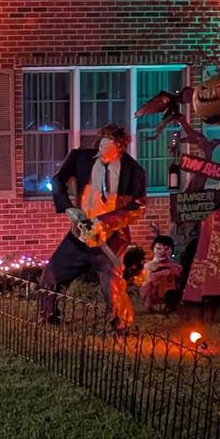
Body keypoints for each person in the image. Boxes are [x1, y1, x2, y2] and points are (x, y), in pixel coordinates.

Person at [37, 124, 146, 330]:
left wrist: (104, 222)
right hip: (79, 233)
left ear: (120, 148)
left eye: (110, 148)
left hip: (110, 238)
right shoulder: (80, 157)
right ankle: (47, 318)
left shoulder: (133, 170)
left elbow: (138, 207)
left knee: (112, 286)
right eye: (102, 145)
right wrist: (69, 208)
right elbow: (57, 180)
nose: (104, 152)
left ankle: (120, 327)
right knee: (50, 275)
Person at [139, 233, 182, 312]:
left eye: (166, 248)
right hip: (151, 299)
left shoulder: (175, 266)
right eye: (158, 248)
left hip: (168, 298)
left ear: (171, 250)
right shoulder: (147, 266)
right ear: (153, 249)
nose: (162, 251)